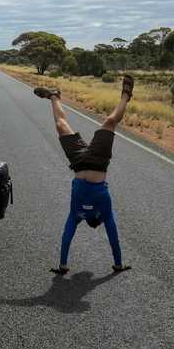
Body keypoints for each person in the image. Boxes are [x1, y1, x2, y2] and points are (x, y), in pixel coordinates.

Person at [33, 75, 134, 275]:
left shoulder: (76, 214)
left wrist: (63, 266)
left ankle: (54, 96)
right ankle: (126, 95)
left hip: (79, 162)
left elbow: (66, 235)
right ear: (96, 218)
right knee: (110, 122)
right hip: (98, 161)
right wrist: (118, 264)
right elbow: (113, 236)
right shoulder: (105, 213)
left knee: (61, 126)